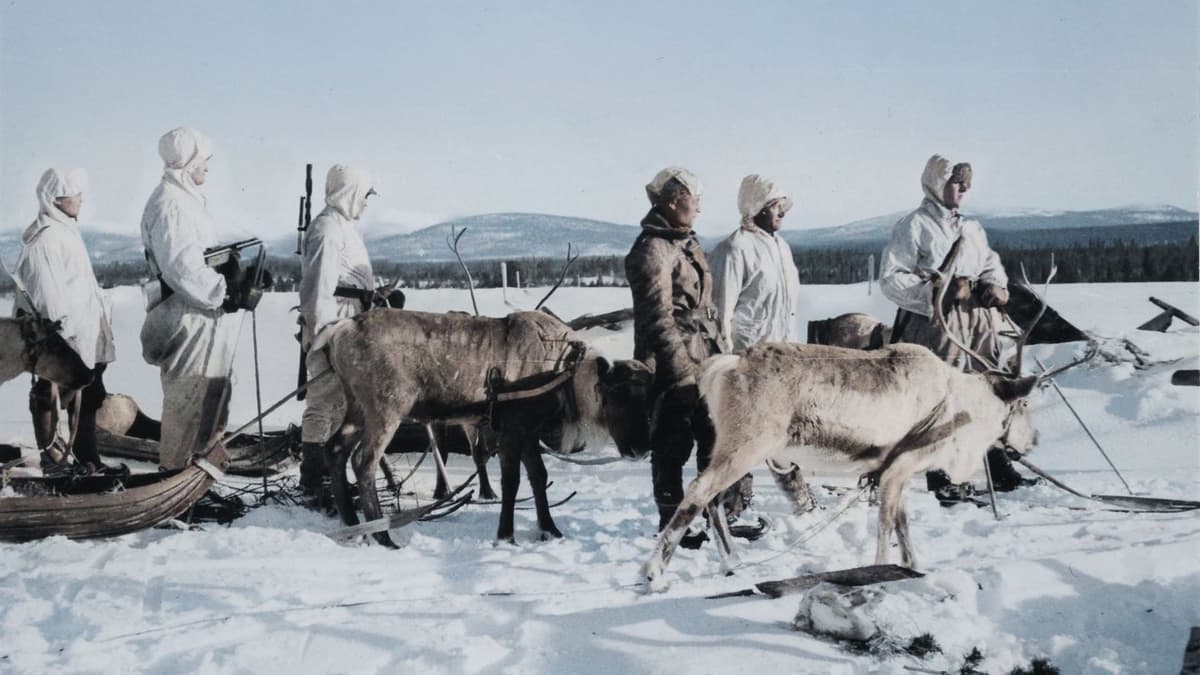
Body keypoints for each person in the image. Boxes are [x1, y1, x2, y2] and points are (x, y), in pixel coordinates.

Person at [879, 154, 1036, 502]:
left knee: (986, 391)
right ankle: (942, 477)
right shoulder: (913, 226)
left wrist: (994, 286)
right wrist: (938, 291)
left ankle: (998, 468)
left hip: (977, 322)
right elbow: (891, 279)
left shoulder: (971, 228)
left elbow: (990, 263)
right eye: (955, 181)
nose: (963, 189)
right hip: (936, 323)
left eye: (966, 183)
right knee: (941, 398)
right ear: (936, 182)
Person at [626, 167, 747, 546]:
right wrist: (679, 371)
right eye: (695, 200)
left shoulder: (684, 242)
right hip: (671, 358)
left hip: (705, 353)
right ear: (674, 201)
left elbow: (703, 302)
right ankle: (673, 520)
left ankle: (715, 512)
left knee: (714, 436)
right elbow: (657, 318)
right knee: (671, 442)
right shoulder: (651, 250)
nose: (699, 208)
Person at [140, 127, 261, 471]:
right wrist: (225, 293)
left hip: (202, 314)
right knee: (188, 399)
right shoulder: (170, 204)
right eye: (203, 159)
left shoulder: (185, 199)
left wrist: (232, 272)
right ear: (188, 160)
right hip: (186, 316)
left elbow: (196, 257)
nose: (207, 165)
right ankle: (175, 480)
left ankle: (200, 481)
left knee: (213, 396)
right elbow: (181, 267)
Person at [710, 174, 814, 515]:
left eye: (784, 204)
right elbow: (720, 311)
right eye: (774, 204)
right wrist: (729, 360)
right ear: (755, 206)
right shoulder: (735, 248)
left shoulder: (781, 248)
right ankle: (732, 506)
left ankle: (799, 499)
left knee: (782, 430)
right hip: (749, 359)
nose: (782, 210)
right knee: (744, 435)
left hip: (783, 359)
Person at [14, 168, 119, 475]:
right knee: (49, 395)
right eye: (76, 194)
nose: (81, 200)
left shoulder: (64, 230)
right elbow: (49, 296)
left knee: (87, 396)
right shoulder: (45, 239)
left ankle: (87, 460)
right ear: (56, 199)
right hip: (62, 337)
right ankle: (55, 464)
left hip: (81, 334)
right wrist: (65, 339)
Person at [297, 164, 380, 499]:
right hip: (334, 323)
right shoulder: (327, 230)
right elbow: (318, 288)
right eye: (363, 195)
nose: (366, 203)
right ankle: (313, 480)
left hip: (349, 320)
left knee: (340, 404)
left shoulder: (343, 226)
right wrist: (324, 335)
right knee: (323, 400)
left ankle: (332, 475)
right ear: (350, 192)